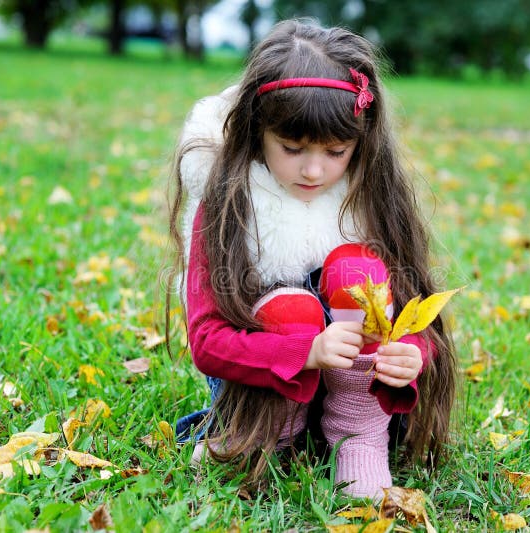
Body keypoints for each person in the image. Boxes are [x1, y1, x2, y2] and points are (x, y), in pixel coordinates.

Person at [166, 19, 458, 500]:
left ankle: (358, 439)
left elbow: (415, 319)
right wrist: (307, 352)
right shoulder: (228, 204)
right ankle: (265, 440)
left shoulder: (369, 199)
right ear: (257, 130)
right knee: (292, 308)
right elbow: (207, 343)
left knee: (356, 272)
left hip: (354, 388)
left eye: (336, 151)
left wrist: (413, 355)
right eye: (292, 148)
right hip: (259, 388)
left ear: (360, 143)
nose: (314, 169)